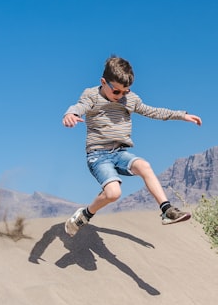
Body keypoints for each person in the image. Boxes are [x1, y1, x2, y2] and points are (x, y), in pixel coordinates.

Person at [62, 55, 202, 236]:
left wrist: (181, 115)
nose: (121, 96)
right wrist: (71, 114)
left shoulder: (131, 99)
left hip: (119, 152)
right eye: (116, 92)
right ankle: (85, 215)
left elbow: (153, 111)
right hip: (98, 155)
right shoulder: (91, 95)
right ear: (103, 82)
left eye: (125, 92)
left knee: (144, 166)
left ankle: (167, 210)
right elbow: (80, 106)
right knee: (113, 193)